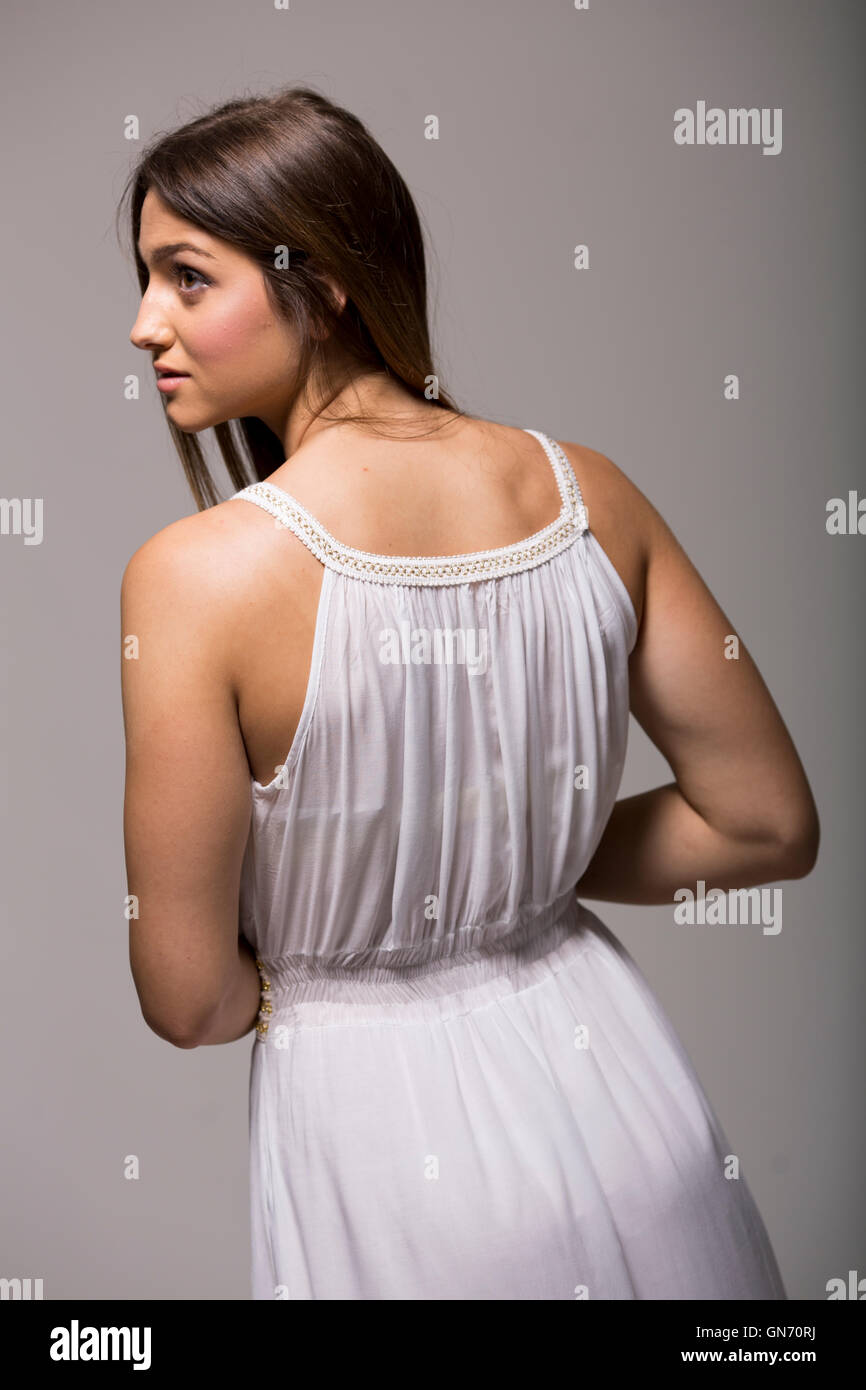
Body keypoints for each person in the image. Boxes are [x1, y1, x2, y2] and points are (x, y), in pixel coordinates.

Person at [119, 86, 818, 1300]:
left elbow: (190, 1000)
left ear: (320, 280)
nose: (142, 326)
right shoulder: (589, 490)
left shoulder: (194, 576)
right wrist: (513, 867)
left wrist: (372, 914)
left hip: (384, 1150)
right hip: (631, 1102)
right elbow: (763, 823)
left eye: (188, 278)